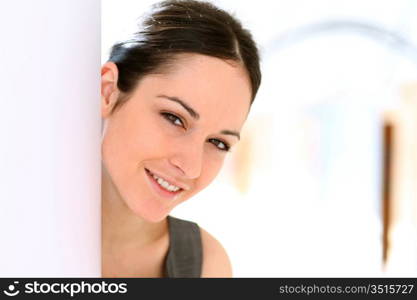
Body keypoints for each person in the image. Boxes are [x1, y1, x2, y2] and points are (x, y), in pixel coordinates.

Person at [101, 0, 261, 278]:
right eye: (174, 118)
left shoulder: (207, 267)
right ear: (107, 92)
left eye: (218, 143)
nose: (191, 167)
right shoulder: (17, 224)